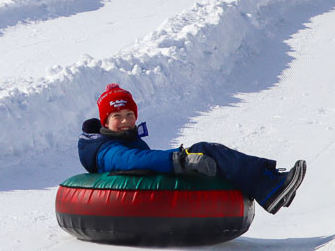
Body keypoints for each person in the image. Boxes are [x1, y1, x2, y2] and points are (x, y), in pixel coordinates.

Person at [79, 83, 306, 215]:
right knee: (201, 151)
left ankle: (272, 186)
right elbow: (133, 160)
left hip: (148, 189)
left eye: (129, 115)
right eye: (117, 116)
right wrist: (179, 160)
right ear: (104, 123)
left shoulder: (125, 139)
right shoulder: (105, 149)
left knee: (204, 152)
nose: (126, 120)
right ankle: (271, 187)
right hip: (134, 205)